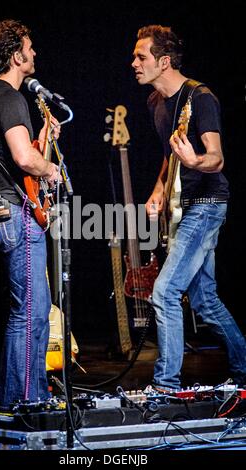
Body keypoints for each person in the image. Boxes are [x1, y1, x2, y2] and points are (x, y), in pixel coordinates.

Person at [132, 24, 246, 391]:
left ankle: (166, 385)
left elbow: (216, 158)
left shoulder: (201, 98)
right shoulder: (156, 102)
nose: (133, 63)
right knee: (204, 298)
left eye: (141, 57)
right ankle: (245, 368)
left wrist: (195, 161)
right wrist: (157, 191)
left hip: (207, 205)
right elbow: (169, 156)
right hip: (182, 207)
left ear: (163, 62)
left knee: (164, 292)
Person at [0, 19, 62, 411]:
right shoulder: (10, 96)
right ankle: (24, 400)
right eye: (29, 46)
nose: (35, 52)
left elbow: (10, 157)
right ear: (15, 55)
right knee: (32, 312)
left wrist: (44, 138)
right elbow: (24, 160)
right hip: (15, 215)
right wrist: (51, 168)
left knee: (26, 310)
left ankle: (25, 395)